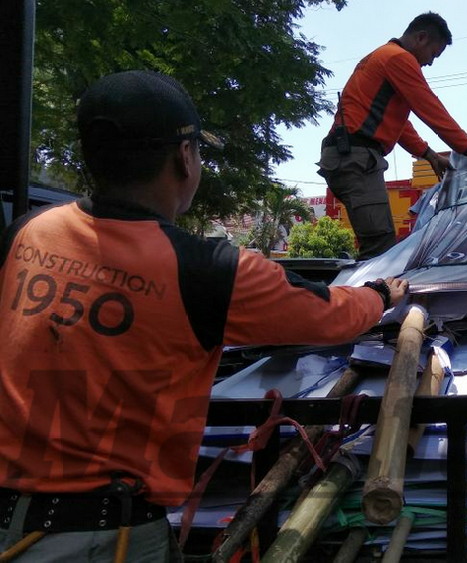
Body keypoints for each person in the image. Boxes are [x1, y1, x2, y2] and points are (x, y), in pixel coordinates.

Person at [0, 70, 407, 561]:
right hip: (101, 539)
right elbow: (328, 315)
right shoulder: (208, 270)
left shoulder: (28, 233)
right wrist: (381, 294)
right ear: (184, 157)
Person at [317, 11, 467, 260]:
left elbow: (401, 127)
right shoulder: (398, 58)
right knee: (380, 249)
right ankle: (367, 298)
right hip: (356, 159)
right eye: (434, 54)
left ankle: (366, 296)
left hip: (348, 157)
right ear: (421, 38)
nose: (430, 63)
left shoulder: (382, 57)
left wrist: (429, 155)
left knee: (378, 246)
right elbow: (432, 111)